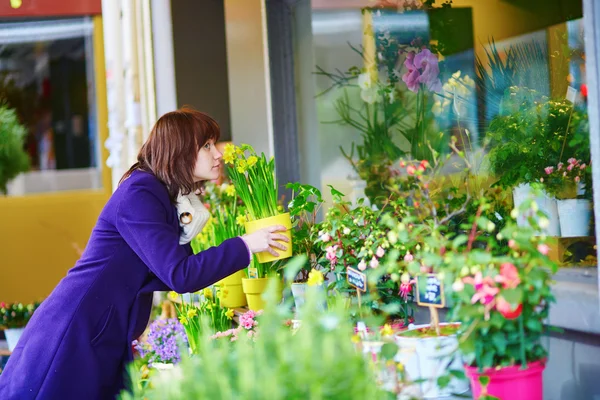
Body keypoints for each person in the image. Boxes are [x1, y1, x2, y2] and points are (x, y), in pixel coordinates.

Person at [0, 108, 288, 399]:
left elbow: (166, 271)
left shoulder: (158, 193)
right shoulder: (140, 193)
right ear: (180, 151)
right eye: (206, 145)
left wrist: (186, 215)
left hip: (96, 333)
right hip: (74, 334)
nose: (218, 154)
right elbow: (180, 275)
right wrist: (246, 244)